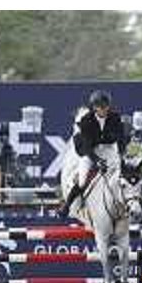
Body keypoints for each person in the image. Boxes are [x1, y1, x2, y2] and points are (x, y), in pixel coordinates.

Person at [58, 90, 128, 218]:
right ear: (95, 107)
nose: (104, 109)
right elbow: (86, 146)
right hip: (91, 151)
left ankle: (140, 200)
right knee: (82, 179)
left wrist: (121, 155)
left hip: (109, 149)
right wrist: (96, 161)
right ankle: (67, 205)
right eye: (100, 107)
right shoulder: (86, 120)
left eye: (106, 106)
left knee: (127, 173)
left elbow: (121, 139)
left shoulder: (115, 118)